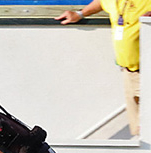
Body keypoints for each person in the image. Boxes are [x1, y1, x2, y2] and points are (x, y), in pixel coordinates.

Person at [57, 0, 151, 137]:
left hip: (147, 73)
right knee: (139, 131)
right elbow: (101, 3)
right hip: (128, 72)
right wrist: (80, 14)